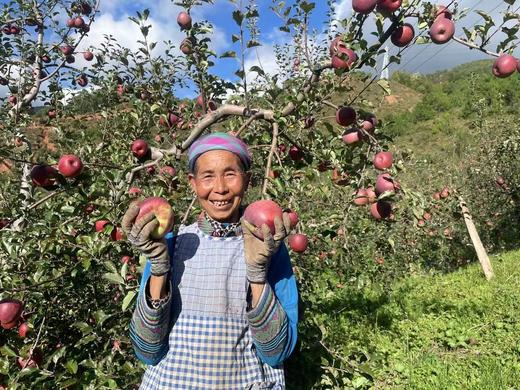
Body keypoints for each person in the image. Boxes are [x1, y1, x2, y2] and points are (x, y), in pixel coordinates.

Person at [122, 132, 299, 389]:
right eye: (207, 176)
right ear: (192, 183)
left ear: (247, 180)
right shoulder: (171, 244)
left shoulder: (268, 247)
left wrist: (257, 273)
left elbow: (276, 351)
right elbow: (146, 350)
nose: (220, 188)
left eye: (230, 174)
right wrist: (160, 269)